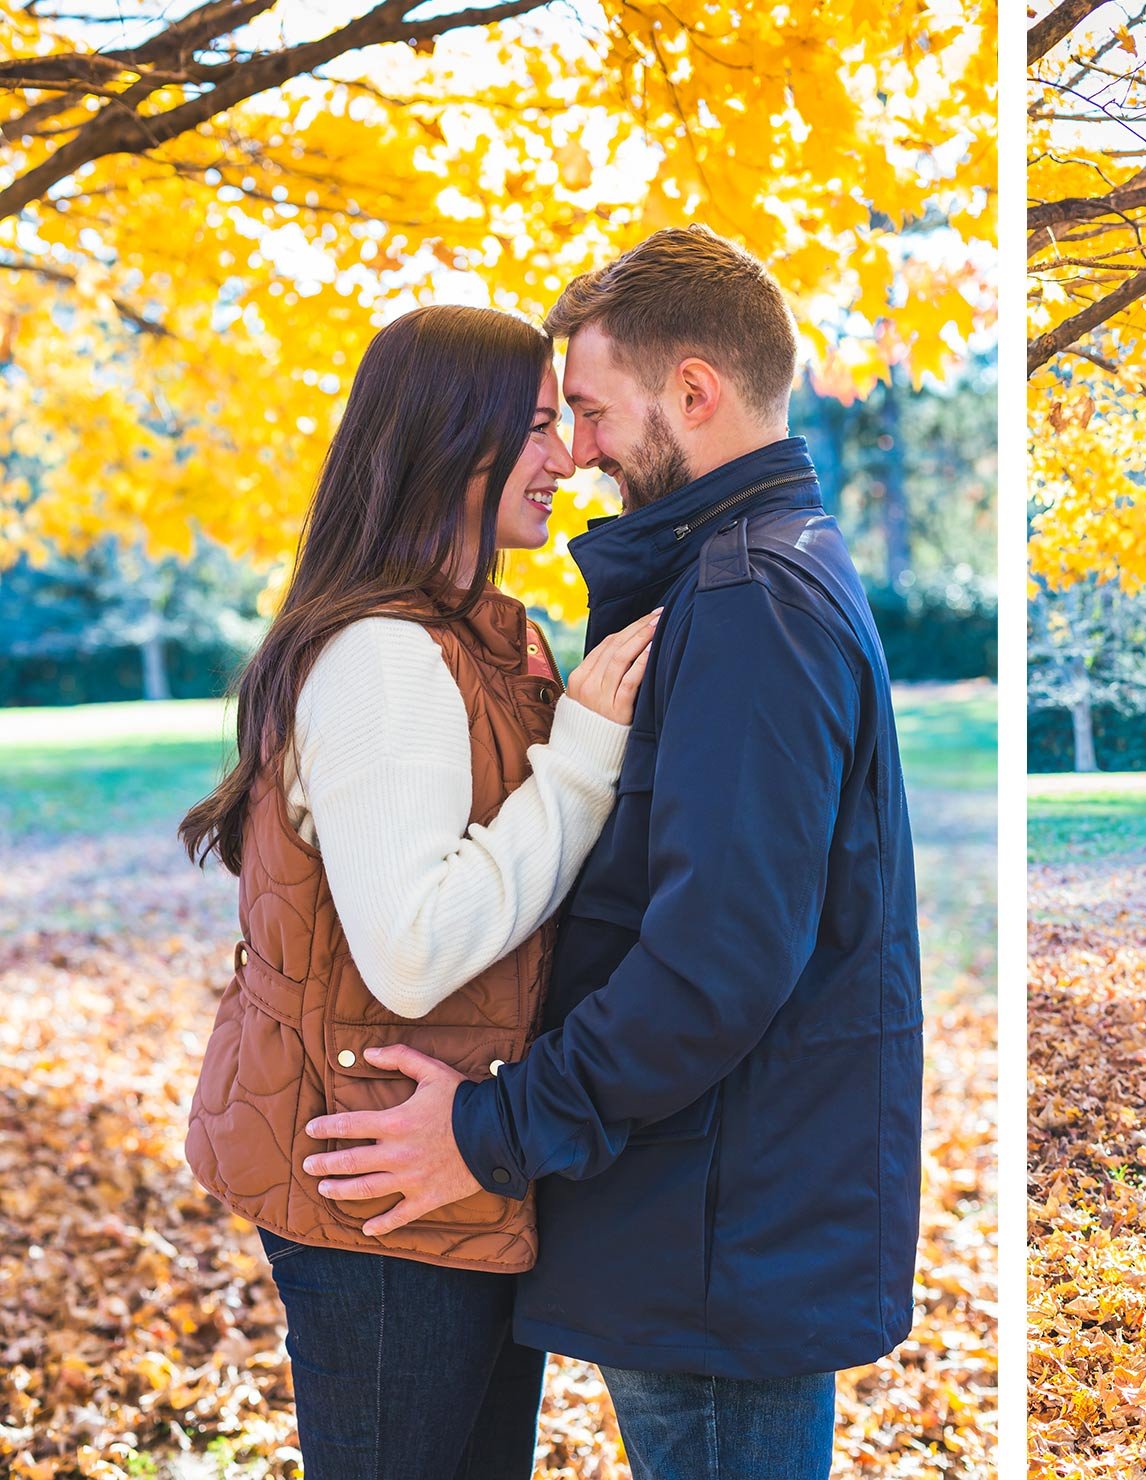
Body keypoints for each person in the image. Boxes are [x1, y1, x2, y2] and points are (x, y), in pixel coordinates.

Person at [299, 227, 923, 1480]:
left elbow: (715, 959)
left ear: (692, 393)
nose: (575, 449)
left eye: (585, 409)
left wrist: (493, 1131)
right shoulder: (750, 573)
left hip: (719, 1229)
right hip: (711, 1210)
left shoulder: (751, 597)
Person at [178, 304, 659, 1476]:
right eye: (539, 427)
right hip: (377, 1190)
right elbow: (411, 946)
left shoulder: (475, 639)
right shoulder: (385, 659)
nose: (567, 458)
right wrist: (585, 752)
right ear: (457, 437)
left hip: (449, 1164)